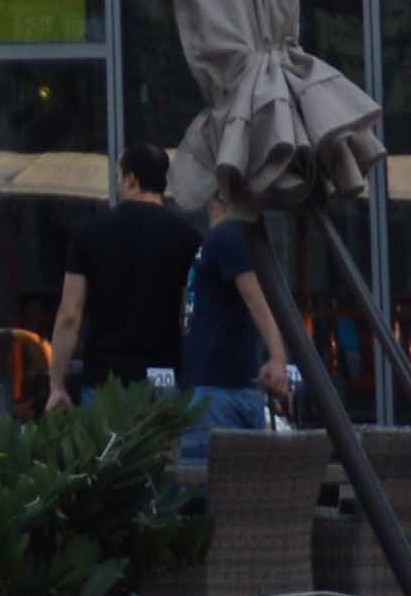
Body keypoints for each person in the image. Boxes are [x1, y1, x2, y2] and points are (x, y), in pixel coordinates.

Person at [47, 150, 197, 402]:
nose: (116, 185)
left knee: (107, 443)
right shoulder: (188, 238)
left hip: (105, 382)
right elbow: (188, 316)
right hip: (162, 380)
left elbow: (70, 315)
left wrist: (56, 384)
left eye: (117, 177)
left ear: (130, 179)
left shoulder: (89, 232)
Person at [180, 206, 296, 432]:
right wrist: (278, 357)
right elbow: (255, 300)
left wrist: (277, 357)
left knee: (208, 464)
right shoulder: (229, 236)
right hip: (223, 387)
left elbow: (255, 300)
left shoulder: (221, 237)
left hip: (215, 387)